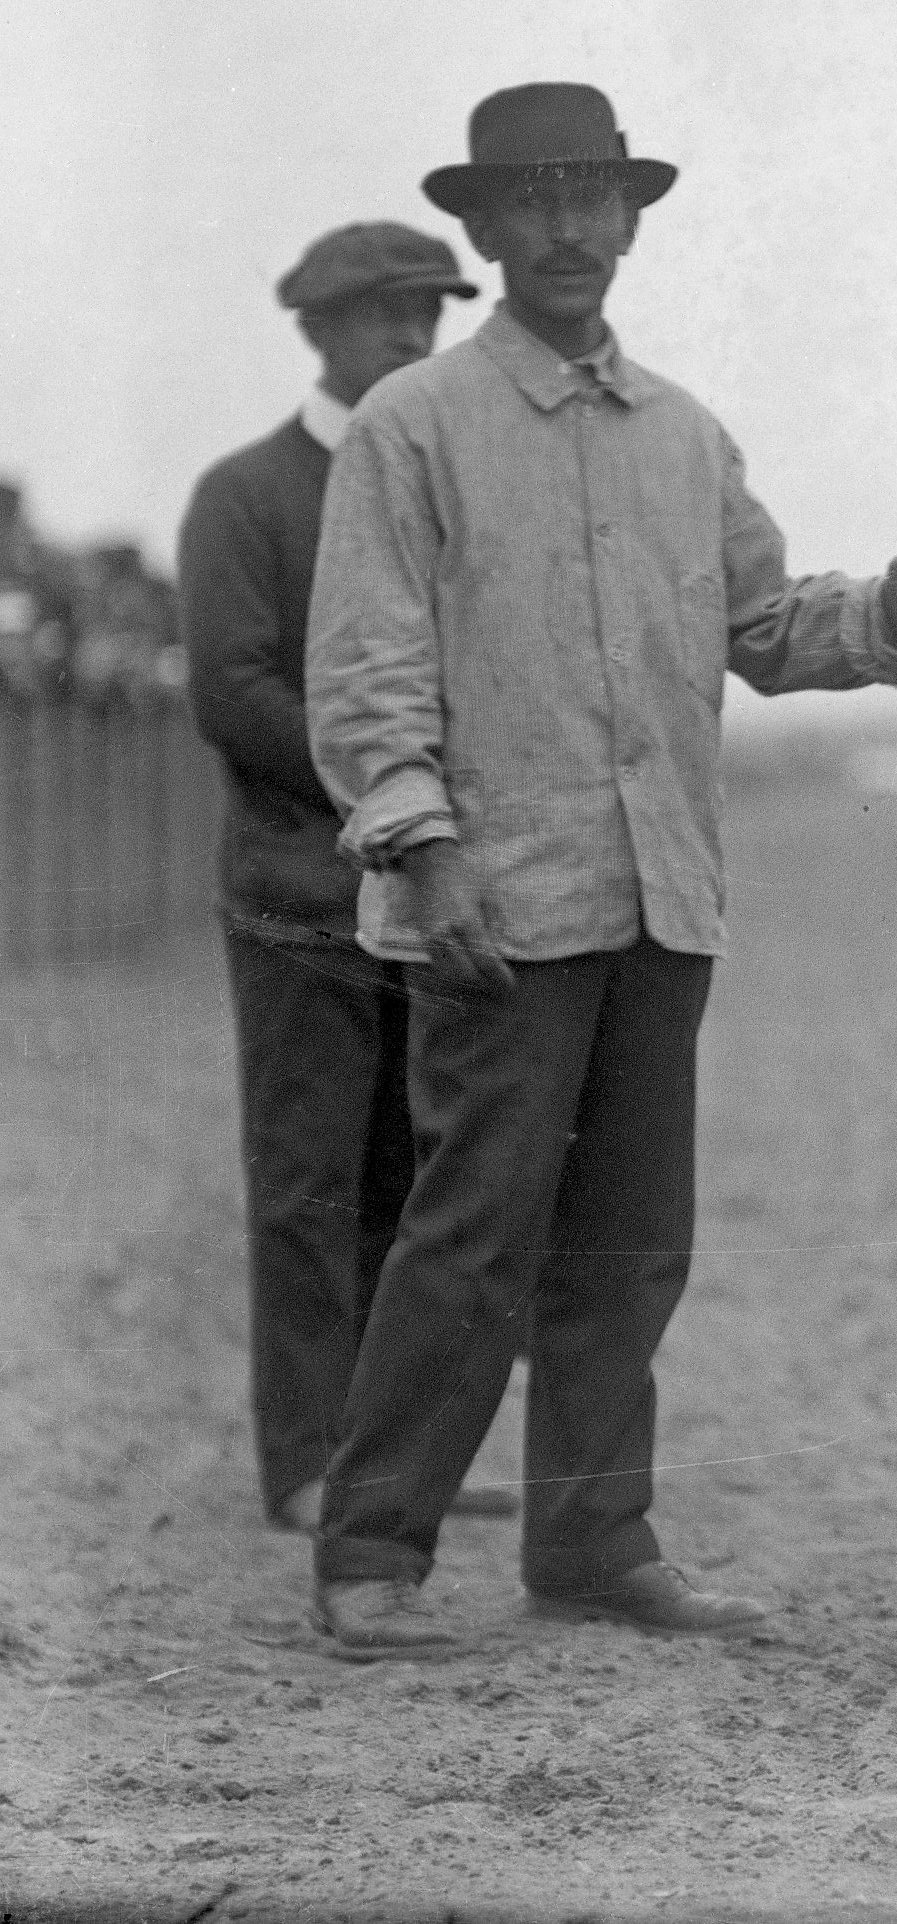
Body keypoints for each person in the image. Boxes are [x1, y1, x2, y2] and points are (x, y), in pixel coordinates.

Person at [301, 83, 897, 1658]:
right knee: (470, 1241)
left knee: (629, 1251)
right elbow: (365, 669)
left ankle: (595, 1545)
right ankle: (372, 1551)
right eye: (533, 202)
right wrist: (425, 845)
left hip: (660, 900)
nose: (567, 230)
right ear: (481, 232)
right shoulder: (414, 428)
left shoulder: (684, 435)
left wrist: (888, 608)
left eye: (595, 200)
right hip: (492, 909)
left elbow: (758, 628)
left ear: (630, 220)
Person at [177, 219, 524, 1537]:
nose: (412, 336)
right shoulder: (245, 495)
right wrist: (393, 799)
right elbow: (234, 694)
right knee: (310, 1185)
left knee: (417, 1184)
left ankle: (392, 1468)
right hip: (300, 898)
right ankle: (309, 1465)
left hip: (431, 901)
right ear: (317, 330)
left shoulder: (447, 478)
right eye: (383, 314)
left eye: (428, 311)